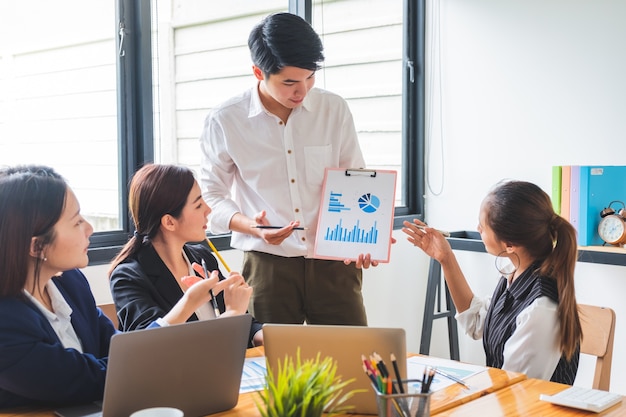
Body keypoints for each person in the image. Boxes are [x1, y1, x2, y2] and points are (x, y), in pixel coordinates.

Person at [199, 12, 377, 326]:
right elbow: (211, 195)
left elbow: (355, 182)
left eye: (310, 77)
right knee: (272, 367)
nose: (302, 90)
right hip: (268, 267)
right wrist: (251, 226)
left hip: (334, 262)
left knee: (351, 364)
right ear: (258, 72)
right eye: (289, 82)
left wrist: (365, 237)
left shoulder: (333, 109)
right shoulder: (226, 120)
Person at [0, 165, 222, 409]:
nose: (89, 229)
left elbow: (121, 351)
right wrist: (187, 306)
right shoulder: (7, 322)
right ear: (36, 246)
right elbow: (93, 378)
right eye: (76, 223)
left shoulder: (71, 282)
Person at [403, 180, 582, 384]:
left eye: (483, 225)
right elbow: (477, 322)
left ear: (509, 244)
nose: (477, 228)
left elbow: (515, 389)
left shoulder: (540, 309)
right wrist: (446, 258)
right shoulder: (513, 276)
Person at [109, 164, 263, 347]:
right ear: (169, 222)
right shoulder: (128, 277)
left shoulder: (202, 258)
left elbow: (247, 326)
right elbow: (151, 347)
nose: (208, 210)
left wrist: (270, 337)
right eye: (198, 205)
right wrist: (232, 314)